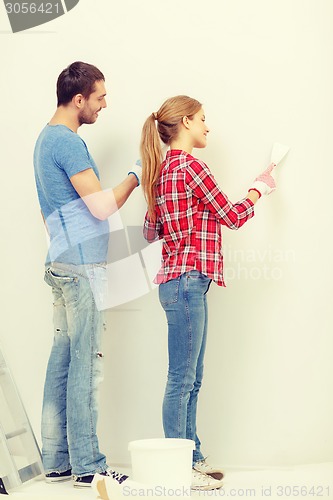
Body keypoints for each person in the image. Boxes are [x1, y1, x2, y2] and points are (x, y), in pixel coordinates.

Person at [140, 95, 276, 490]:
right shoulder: (191, 166)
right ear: (184, 121)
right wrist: (259, 189)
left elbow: (151, 233)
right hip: (186, 283)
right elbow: (232, 216)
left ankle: (191, 456)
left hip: (179, 283)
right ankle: (177, 466)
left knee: (190, 378)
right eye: (202, 118)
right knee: (183, 378)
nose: (207, 126)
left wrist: (155, 207)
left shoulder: (160, 170)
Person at [33, 61, 141, 488]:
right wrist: (135, 176)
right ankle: (90, 466)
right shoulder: (69, 143)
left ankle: (57, 461)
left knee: (62, 359)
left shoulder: (44, 141)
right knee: (86, 365)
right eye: (100, 97)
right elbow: (100, 207)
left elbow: (52, 213)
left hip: (60, 262)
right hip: (81, 269)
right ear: (78, 100)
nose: (104, 105)